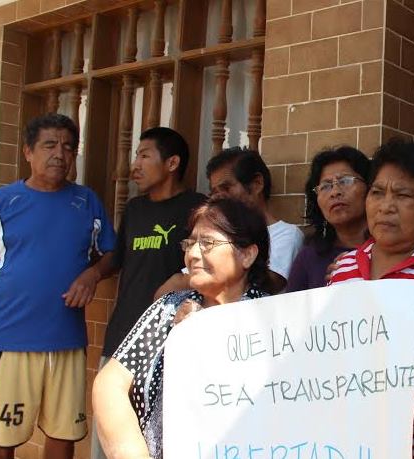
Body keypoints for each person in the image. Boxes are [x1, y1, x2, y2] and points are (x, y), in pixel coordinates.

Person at [0, 113, 117, 459]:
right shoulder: (3, 201)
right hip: (12, 339)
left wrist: (92, 275)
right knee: (3, 439)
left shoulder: (86, 201)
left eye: (69, 147)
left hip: (67, 340)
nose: (60, 154)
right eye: (50, 145)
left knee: (64, 436)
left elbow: (111, 254)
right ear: (28, 152)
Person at [92, 198, 270, 459]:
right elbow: (110, 383)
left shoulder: (271, 319)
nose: (193, 254)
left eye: (208, 243)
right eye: (190, 243)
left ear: (247, 255)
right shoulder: (168, 308)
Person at [329, 139, 414, 458]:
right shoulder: (343, 267)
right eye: (377, 192)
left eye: (403, 195)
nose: (386, 206)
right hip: (340, 445)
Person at [91, 127, 204, 459]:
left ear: (172, 163)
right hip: (122, 337)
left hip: (168, 342)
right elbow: (116, 259)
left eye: (143, 155)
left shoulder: (197, 209)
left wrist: (181, 281)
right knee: (108, 439)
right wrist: (91, 274)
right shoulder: (135, 209)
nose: (134, 165)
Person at [155, 147, 303, 296]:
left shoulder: (286, 235)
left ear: (257, 184)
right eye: (214, 192)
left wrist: (201, 276)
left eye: (226, 187)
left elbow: (267, 284)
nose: (218, 197)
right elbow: (164, 292)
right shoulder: (212, 233)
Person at [286, 146, 370, 292]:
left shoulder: (392, 249)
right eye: (325, 186)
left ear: (370, 188)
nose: (335, 192)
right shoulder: (309, 258)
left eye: (345, 181)